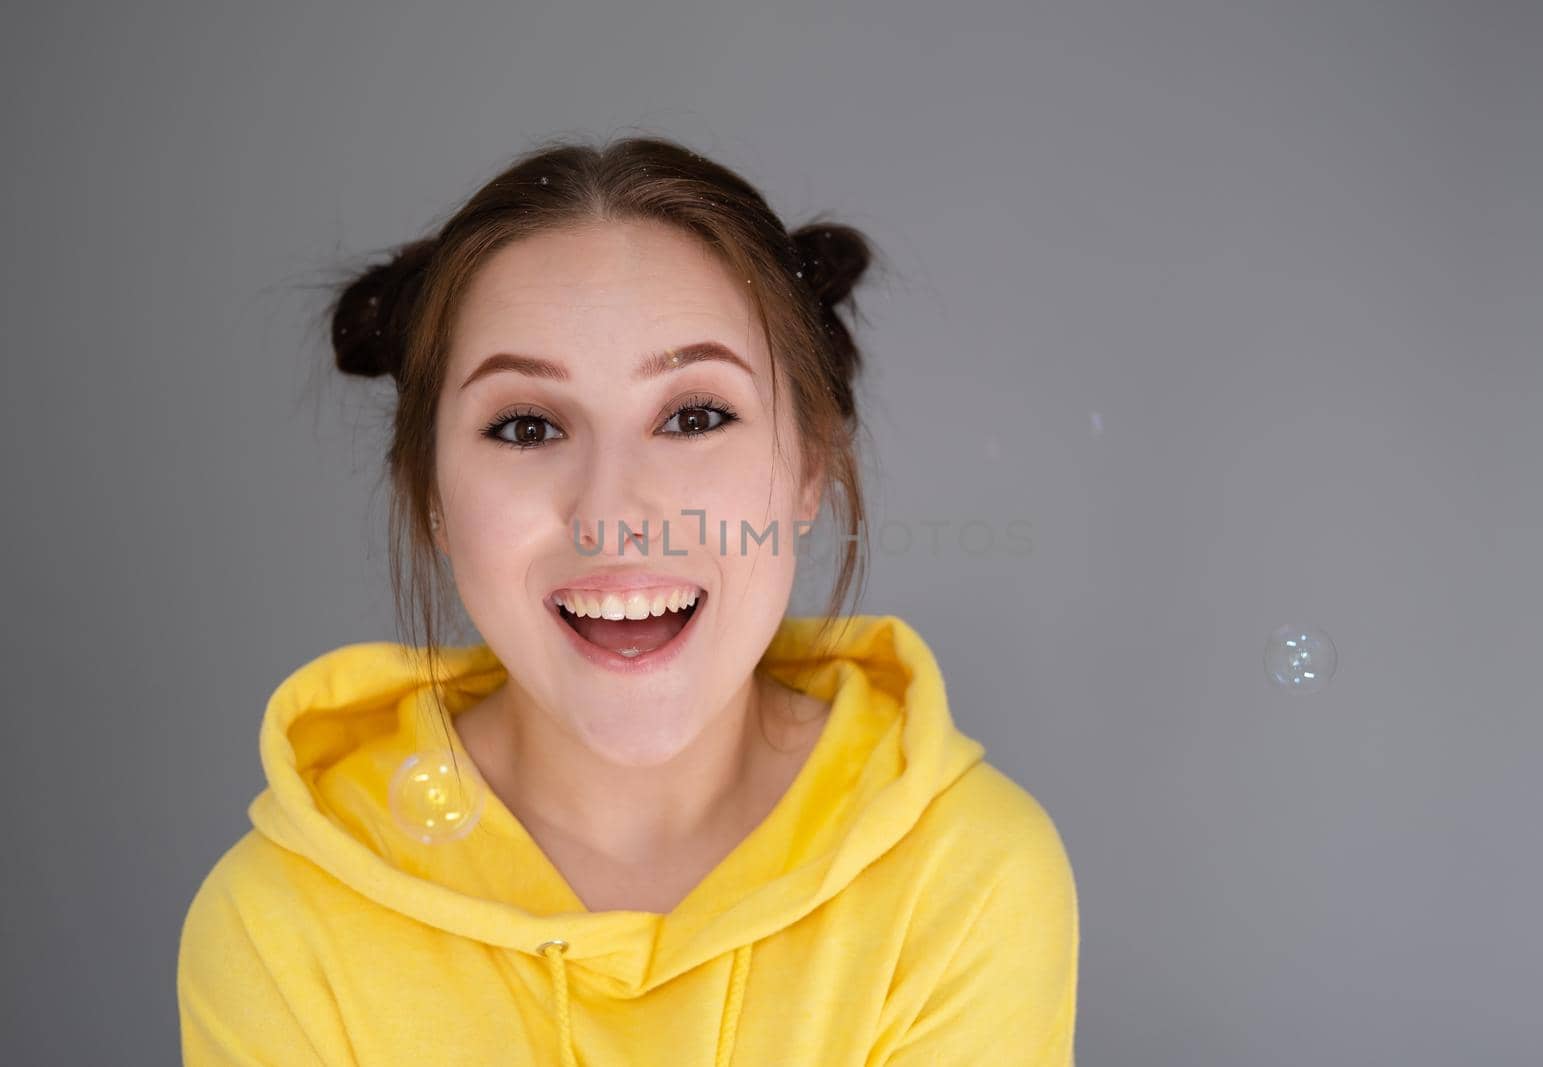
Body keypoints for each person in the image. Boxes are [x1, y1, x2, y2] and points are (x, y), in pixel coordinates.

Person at [176, 136, 1079, 1065]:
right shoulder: (276, 925)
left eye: (694, 416)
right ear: (432, 494)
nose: (612, 516)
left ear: (809, 467)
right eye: (526, 425)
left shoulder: (966, 877)